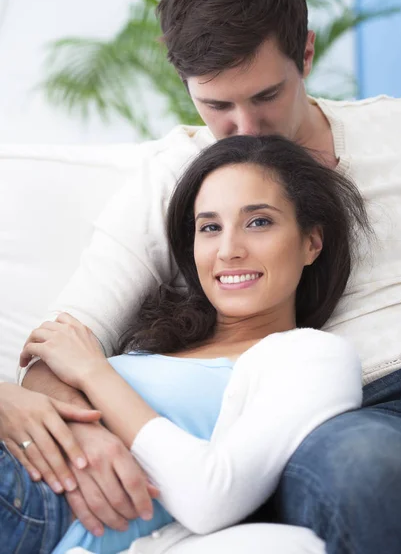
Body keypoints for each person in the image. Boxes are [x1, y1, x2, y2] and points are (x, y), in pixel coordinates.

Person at [1, 0, 401, 552]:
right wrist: (84, 433)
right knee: (368, 470)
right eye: (216, 106)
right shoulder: (174, 179)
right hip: (363, 412)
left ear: (307, 54)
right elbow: (62, 346)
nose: (246, 128)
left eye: (266, 94)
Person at [0, 135, 365, 553]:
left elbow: (210, 497)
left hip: (32, 504)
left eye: (259, 222)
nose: (229, 250)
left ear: (311, 242)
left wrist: (94, 373)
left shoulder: (311, 355)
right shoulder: (153, 344)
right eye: (210, 227)